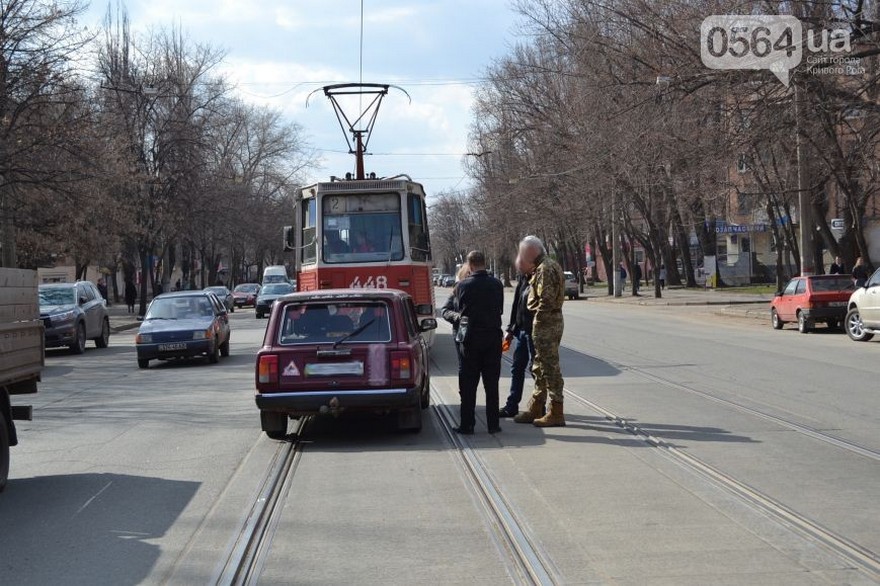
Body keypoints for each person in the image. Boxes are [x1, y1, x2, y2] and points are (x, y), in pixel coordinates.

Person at [514, 235, 566, 427]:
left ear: (532, 252)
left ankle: (556, 411)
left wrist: (538, 323)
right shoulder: (545, 266)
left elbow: (546, 300)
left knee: (550, 367)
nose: (522, 257)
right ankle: (537, 405)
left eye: (524, 252)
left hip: (546, 323)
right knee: (539, 365)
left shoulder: (545, 268)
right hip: (547, 322)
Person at [451, 251, 504, 435]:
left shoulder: (462, 285)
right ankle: (493, 425)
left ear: (470, 265)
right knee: (492, 385)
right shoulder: (497, 284)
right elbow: (500, 310)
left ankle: (467, 424)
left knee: (468, 386)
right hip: (492, 339)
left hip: (470, 340)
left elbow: (459, 310)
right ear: (485, 262)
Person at [500, 255, 536, 418]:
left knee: (536, 369)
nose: (518, 266)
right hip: (521, 330)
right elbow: (517, 306)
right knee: (517, 367)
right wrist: (510, 329)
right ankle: (512, 405)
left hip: (535, 331)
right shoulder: (523, 278)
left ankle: (539, 406)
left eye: (521, 263)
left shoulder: (540, 277)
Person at [440, 264, 472, 372]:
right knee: (464, 365)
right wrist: (457, 317)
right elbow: (445, 310)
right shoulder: (457, 290)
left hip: (480, 333)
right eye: (467, 275)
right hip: (461, 331)